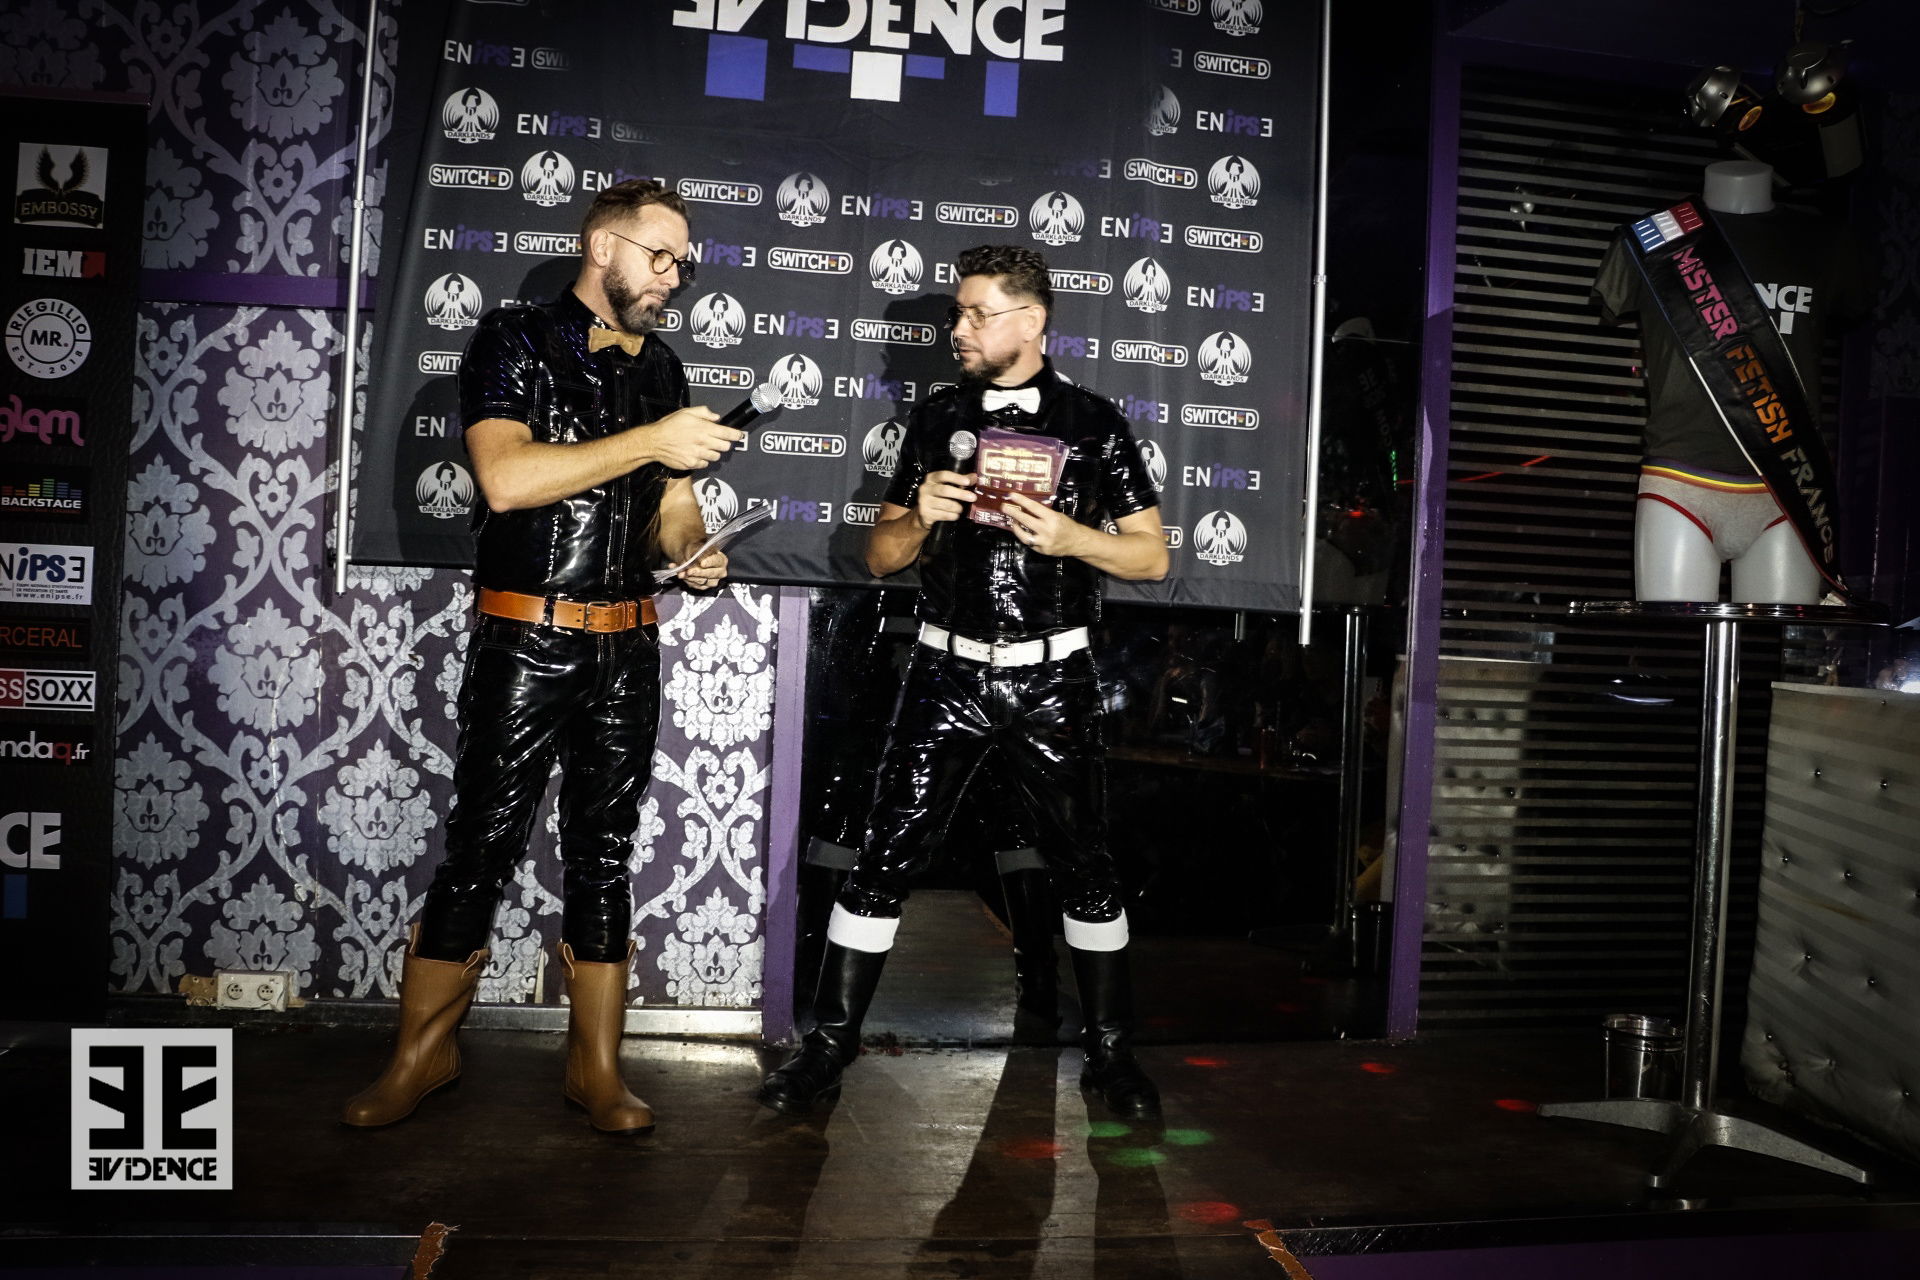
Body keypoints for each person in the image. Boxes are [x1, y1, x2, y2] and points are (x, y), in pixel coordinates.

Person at [343, 179, 743, 1135]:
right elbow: (507, 480)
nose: (674, 277)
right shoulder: (513, 337)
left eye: (683, 263)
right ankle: (420, 1055)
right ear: (603, 247)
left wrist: (693, 550)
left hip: (627, 646)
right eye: (660, 256)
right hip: (525, 637)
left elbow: (670, 510)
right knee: (481, 844)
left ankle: (597, 1070)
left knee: (604, 854)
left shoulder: (664, 368)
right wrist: (651, 439)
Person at [757, 244, 1170, 1119]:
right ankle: (825, 1052)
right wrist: (919, 518)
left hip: (1053, 678)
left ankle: (1112, 1056)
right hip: (945, 673)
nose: (960, 329)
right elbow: (880, 555)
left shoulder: (1094, 423)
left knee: (1086, 865)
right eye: (958, 312)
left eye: (979, 313)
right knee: (883, 858)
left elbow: (1152, 556)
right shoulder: (937, 416)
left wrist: (1072, 538)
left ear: (1033, 321)